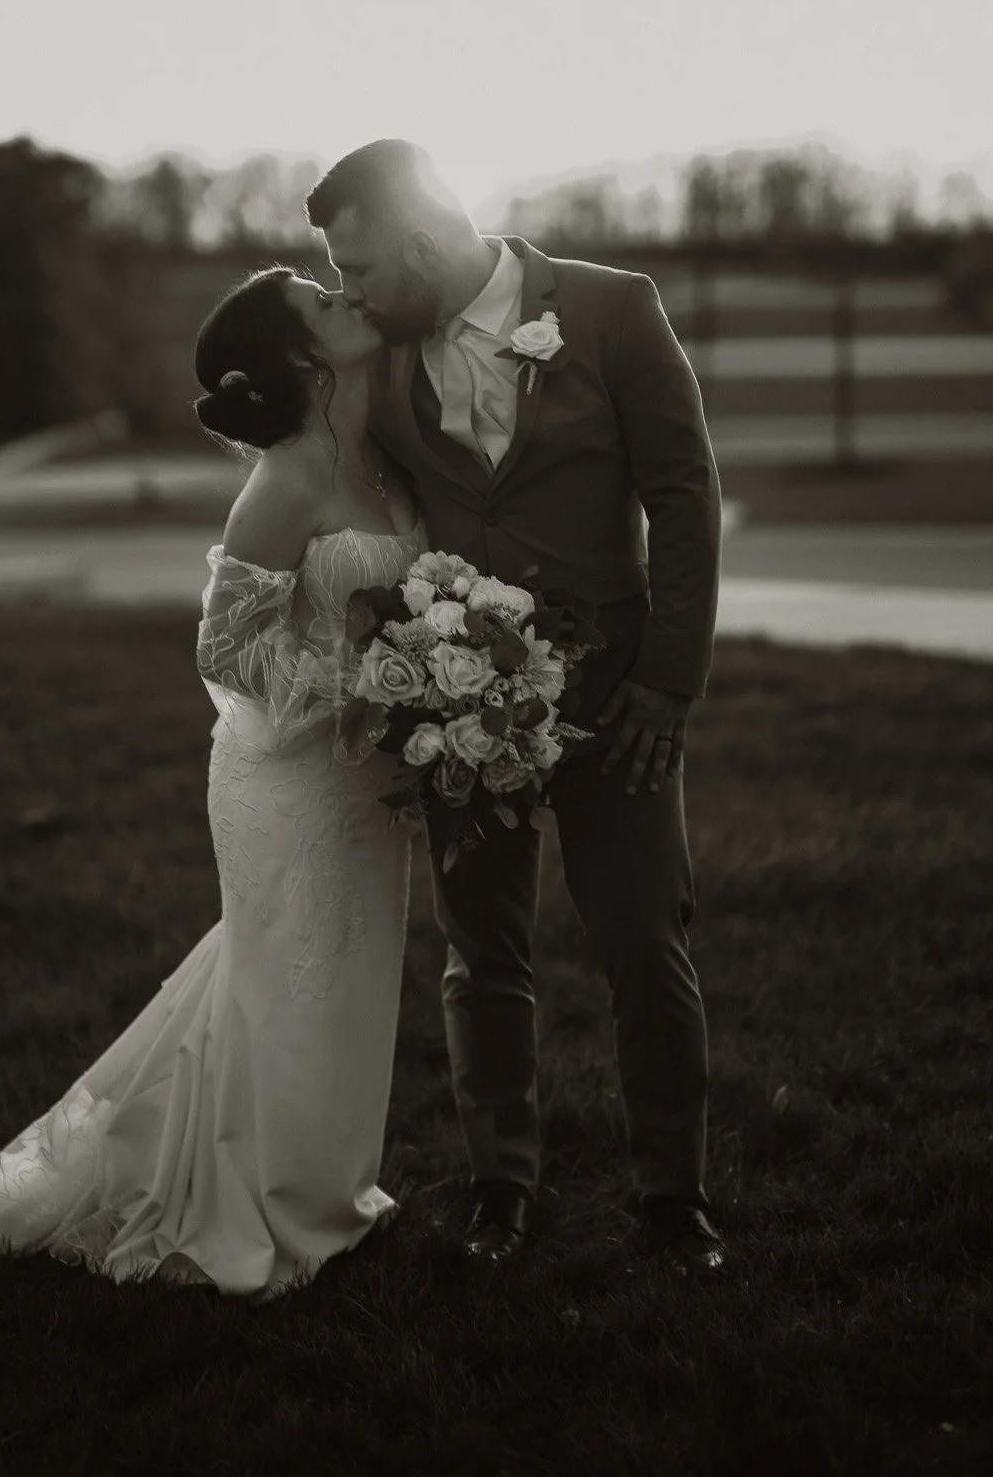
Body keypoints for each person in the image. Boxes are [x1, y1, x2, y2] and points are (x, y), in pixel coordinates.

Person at [0, 267, 425, 1300]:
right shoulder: (285, 480)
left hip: (363, 774)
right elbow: (222, 646)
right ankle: (265, 1209)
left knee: (352, 977)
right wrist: (363, 680)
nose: (345, 296)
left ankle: (327, 1189)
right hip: (290, 776)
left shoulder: (381, 452)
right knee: (291, 976)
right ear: (304, 357)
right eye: (321, 300)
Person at [306, 139, 724, 1271]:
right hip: (452, 699)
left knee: (645, 942)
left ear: (422, 245)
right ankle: (502, 1189)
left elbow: (685, 495)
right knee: (480, 950)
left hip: (618, 700)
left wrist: (668, 680)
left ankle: (673, 1198)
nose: (349, 294)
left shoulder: (614, 310)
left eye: (358, 269)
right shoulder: (378, 358)